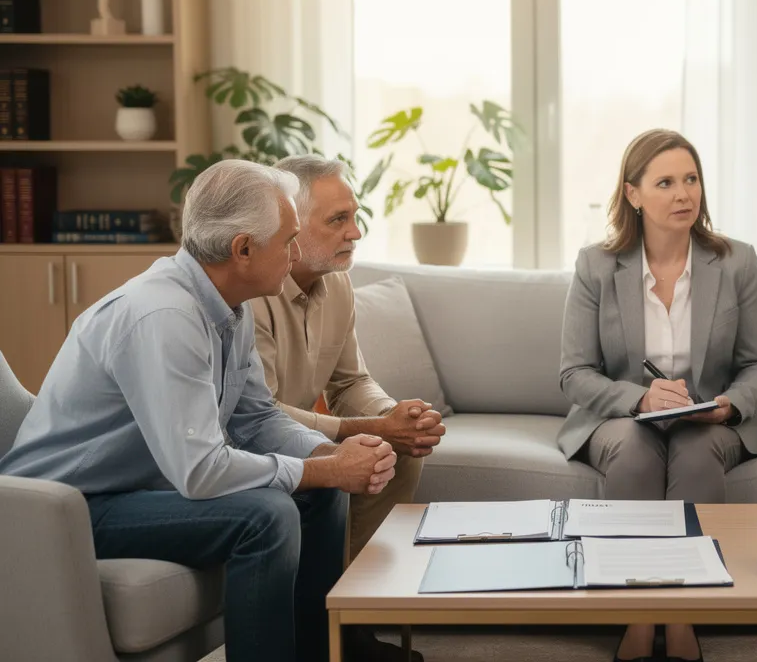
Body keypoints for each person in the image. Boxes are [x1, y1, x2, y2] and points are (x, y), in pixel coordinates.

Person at [0, 159, 407, 662]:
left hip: (131, 492)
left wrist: (331, 456)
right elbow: (200, 470)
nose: (295, 252)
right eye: (288, 240)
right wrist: (322, 468)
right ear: (242, 249)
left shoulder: (226, 305)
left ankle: (320, 652)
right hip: (61, 507)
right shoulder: (165, 316)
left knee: (326, 493)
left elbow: (255, 418)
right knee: (268, 514)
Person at [559, 128, 757, 662]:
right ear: (633, 194)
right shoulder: (596, 265)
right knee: (636, 449)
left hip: (710, 421)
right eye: (665, 182)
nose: (684, 194)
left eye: (691, 179)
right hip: (623, 417)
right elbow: (574, 373)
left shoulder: (736, 261)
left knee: (695, 450)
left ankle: (681, 615)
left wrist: (728, 405)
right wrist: (639, 401)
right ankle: (635, 612)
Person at [251, 155, 447, 562]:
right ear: (290, 224)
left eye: (354, 217)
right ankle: (338, 611)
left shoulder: (338, 283)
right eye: (337, 220)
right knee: (373, 441)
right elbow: (258, 414)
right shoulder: (251, 295)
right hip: (258, 444)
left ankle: (361, 600)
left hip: (301, 434)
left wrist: (393, 416)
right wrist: (376, 425)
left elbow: (351, 382)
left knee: (394, 448)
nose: (355, 232)